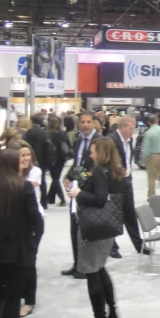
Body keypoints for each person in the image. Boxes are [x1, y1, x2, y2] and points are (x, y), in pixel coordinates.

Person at [67, 138, 127, 318]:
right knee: (100, 269)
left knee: (93, 272)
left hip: (93, 229)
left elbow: (100, 199)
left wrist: (79, 194)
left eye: (93, 152)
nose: (90, 155)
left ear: (101, 153)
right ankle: (112, 312)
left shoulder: (100, 171)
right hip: (107, 228)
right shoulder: (116, 171)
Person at [0, 149, 43, 318]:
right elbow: (36, 221)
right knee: (13, 298)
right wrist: (33, 245)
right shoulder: (24, 187)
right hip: (20, 251)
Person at [61, 112, 99, 280]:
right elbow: (77, 164)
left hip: (89, 191)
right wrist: (68, 176)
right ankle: (77, 264)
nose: (85, 125)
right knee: (74, 229)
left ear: (94, 123)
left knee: (86, 231)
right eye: (82, 122)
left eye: (88, 122)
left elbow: (96, 168)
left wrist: (79, 178)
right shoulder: (77, 141)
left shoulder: (99, 142)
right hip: (75, 192)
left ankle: (86, 267)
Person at [109, 115, 147, 258]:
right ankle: (112, 246)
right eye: (131, 128)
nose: (133, 131)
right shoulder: (111, 140)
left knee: (130, 214)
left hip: (126, 182)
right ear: (123, 127)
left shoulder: (128, 140)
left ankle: (139, 245)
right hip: (114, 183)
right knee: (113, 215)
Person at [17, 143, 45, 318]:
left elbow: (24, 189)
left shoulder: (35, 172)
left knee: (29, 262)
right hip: (16, 223)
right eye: (22, 155)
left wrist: (17, 171)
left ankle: (29, 301)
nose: (26, 158)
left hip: (34, 222)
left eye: (28, 155)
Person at [138, 114, 160, 197]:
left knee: (151, 177)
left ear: (149, 122)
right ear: (157, 120)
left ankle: (151, 196)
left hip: (152, 156)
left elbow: (145, 147)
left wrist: (142, 160)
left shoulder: (148, 133)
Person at [24, 114, 49, 211]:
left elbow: (27, 146)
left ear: (31, 121)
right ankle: (44, 201)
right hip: (42, 159)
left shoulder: (29, 133)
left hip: (33, 159)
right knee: (42, 181)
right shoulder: (43, 132)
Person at [45, 115, 68, 207]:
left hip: (53, 159)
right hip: (62, 159)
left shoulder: (50, 134)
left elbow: (48, 148)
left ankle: (62, 199)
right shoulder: (63, 133)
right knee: (56, 178)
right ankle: (50, 198)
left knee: (55, 179)